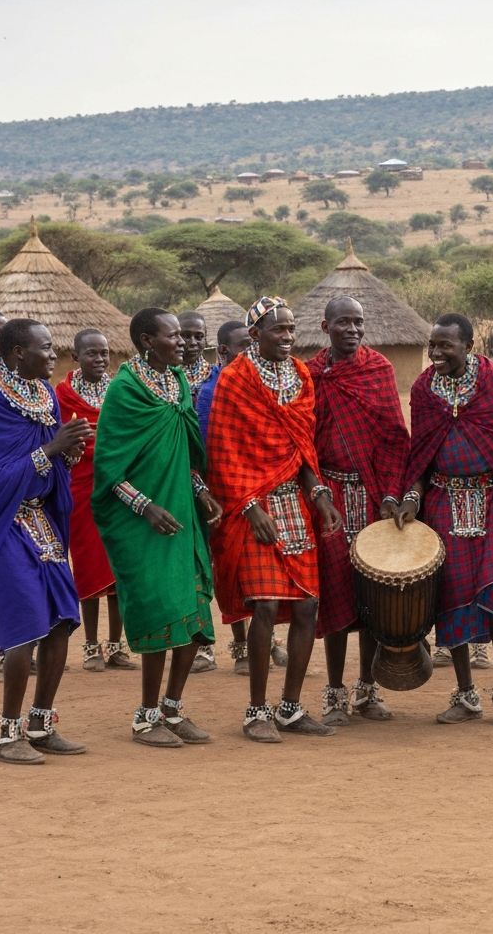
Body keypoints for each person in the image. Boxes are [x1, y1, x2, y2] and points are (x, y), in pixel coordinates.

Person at [207, 296, 343, 743]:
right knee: (263, 605)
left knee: (307, 606)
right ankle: (256, 710)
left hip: (293, 504)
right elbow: (223, 454)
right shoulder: (235, 379)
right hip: (253, 508)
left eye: (291, 329)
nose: (287, 337)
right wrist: (249, 506)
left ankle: (290, 708)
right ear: (255, 335)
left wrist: (319, 492)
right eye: (278, 330)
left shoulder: (300, 375)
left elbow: (303, 448)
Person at [0, 318, 91, 764]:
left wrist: (67, 453)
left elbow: (47, 463)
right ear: (17, 353)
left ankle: (41, 722)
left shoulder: (44, 394)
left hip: (41, 523)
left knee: (61, 622)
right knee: (25, 626)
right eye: (46, 348)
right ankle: (6, 733)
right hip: (2, 526)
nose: (55, 355)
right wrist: (50, 450)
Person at [93, 308, 222, 748]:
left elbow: (186, 453)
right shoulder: (125, 389)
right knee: (159, 609)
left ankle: (172, 707)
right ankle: (145, 717)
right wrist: (146, 507)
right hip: (144, 523)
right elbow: (108, 470)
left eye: (187, 338)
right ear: (148, 341)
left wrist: (201, 489)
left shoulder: (180, 382)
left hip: (183, 516)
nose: (185, 343)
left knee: (193, 609)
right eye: (174, 336)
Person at [395, 313, 493, 727]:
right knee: (451, 597)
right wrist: (413, 495)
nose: (435, 353)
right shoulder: (423, 388)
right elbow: (422, 449)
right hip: (442, 501)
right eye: (432, 346)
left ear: (468, 346)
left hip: (492, 499)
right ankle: (466, 693)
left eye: (445, 346)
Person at [307, 295, 410, 724]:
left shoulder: (378, 370)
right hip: (328, 496)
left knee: (374, 596)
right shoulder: (310, 375)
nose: (353, 329)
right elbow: (303, 440)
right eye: (344, 322)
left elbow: (393, 438)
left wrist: (389, 493)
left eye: (359, 322)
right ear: (326, 326)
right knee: (334, 593)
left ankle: (368, 691)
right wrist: (317, 494)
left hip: (371, 498)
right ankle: (334, 693)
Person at [194, 318, 283, 676]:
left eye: (251, 344)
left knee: (265, 572)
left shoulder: (268, 383)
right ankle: (241, 644)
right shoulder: (210, 391)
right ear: (223, 351)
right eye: (242, 346)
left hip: (269, 489)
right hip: (227, 492)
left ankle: (267, 639)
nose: (249, 352)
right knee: (232, 569)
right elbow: (207, 450)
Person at [55, 328, 135, 672]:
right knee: (88, 565)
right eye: (92, 353)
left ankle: (116, 646)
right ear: (76, 357)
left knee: (118, 566)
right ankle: (90, 646)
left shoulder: (120, 388)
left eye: (104, 353)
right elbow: (57, 438)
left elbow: (130, 433)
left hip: (119, 485)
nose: (100, 359)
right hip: (82, 486)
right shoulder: (63, 393)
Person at [178, 310, 213, 402]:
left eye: (199, 337)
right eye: (186, 336)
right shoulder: (163, 375)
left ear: (205, 339)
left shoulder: (213, 374)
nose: (193, 343)